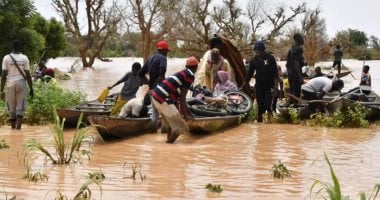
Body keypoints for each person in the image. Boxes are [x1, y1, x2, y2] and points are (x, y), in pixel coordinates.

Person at [150, 56, 198, 143]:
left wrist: (189, 112)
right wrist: (186, 116)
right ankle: (168, 146)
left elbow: (180, 99)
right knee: (180, 128)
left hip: (155, 97)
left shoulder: (182, 73)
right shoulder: (190, 75)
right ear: (196, 67)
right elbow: (183, 97)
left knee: (171, 125)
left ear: (186, 66)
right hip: (163, 99)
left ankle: (168, 143)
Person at [0, 40, 34, 129]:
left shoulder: (6, 58)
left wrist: (1, 90)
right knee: (20, 108)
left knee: (11, 108)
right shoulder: (25, 58)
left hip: (10, 84)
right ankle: (18, 130)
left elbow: (3, 74)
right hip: (21, 84)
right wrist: (31, 88)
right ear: (20, 47)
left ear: (12, 47)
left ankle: (13, 131)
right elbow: (28, 74)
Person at [242, 41, 278, 122]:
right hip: (259, 85)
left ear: (263, 49)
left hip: (270, 85)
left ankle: (271, 122)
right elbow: (249, 74)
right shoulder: (253, 60)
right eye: (256, 50)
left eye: (259, 50)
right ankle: (260, 125)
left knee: (267, 105)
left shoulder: (270, 58)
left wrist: (275, 87)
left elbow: (275, 73)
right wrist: (244, 84)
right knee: (260, 106)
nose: (257, 52)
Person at [138, 40, 170, 132]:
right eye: (167, 51)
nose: (167, 53)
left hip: (151, 89)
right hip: (160, 88)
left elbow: (140, 73)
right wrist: (162, 78)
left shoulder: (150, 58)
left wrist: (147, 82)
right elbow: (163, 68)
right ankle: (164, 131)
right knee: (165, 110)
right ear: (164, 50)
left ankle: (153, 131)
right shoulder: (163, 58)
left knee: (155, 112)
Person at [286, 33, 305, 101]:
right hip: (296, 75)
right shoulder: (299, 49)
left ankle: (291, 108)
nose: (303, 39)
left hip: (290, 75)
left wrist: (303, 63)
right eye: (302, 38)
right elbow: (296, 63)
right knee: (296, 94)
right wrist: (300, 77)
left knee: (292, 92)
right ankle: (295, 109)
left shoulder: (291, 49)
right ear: (298, 39)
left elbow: (288, 64)